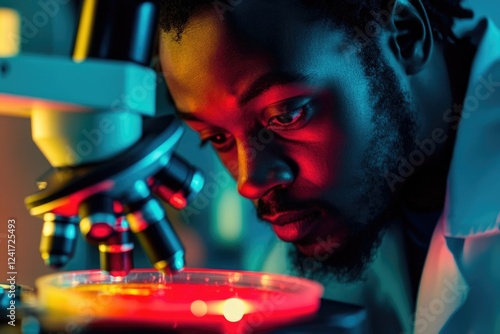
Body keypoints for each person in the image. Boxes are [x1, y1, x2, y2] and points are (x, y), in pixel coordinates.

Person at [156, 0, 500, 332]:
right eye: (218, 138)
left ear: (405, 37)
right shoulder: (313, 248)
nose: (250, 182)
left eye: (286, 115)